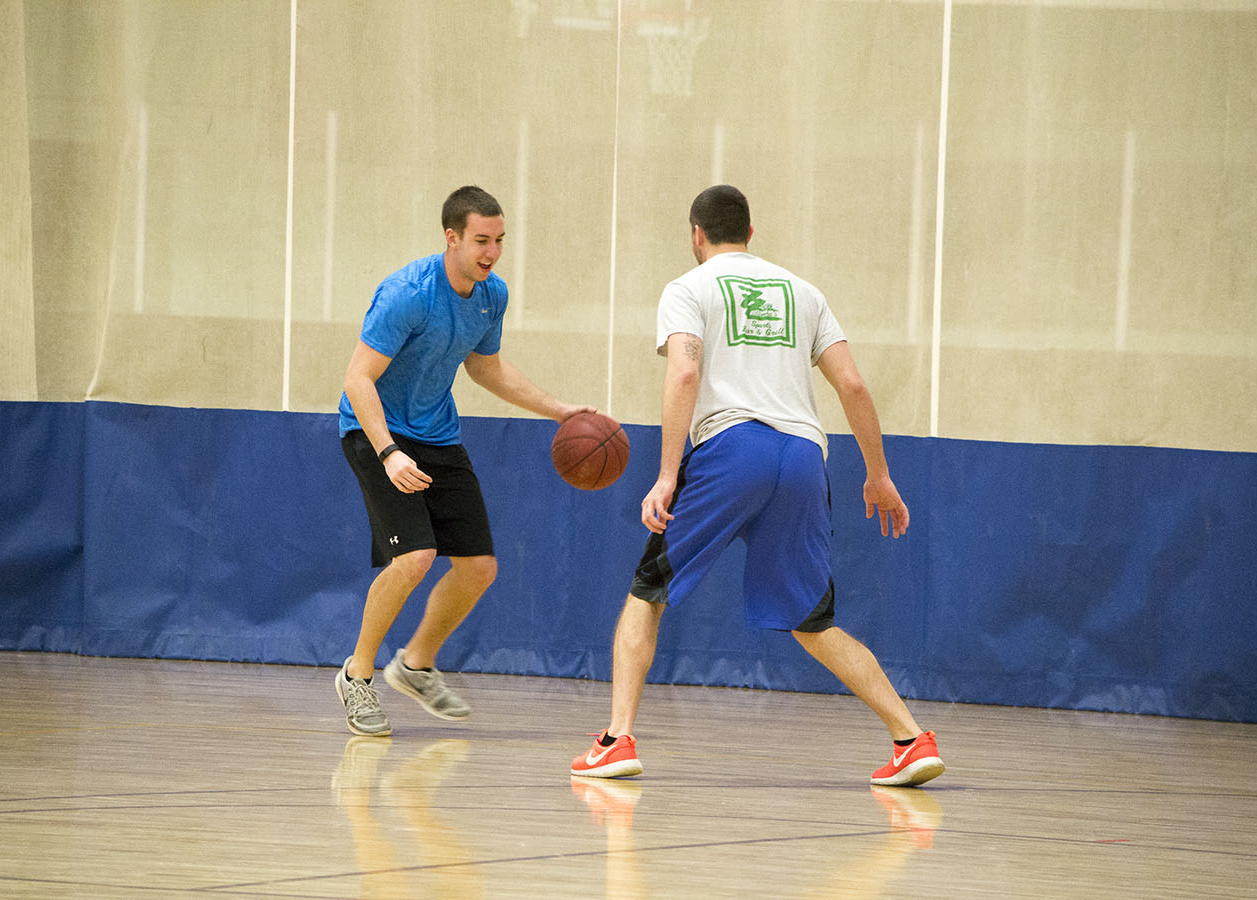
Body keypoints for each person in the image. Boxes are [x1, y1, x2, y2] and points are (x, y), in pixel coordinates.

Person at [570, 185, 944, 787]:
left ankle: (616, 740)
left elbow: (685, 370)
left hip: (731, 450)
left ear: (697, 234)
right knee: (812, 619)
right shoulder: (805, 293)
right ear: (751, 232)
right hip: (802, 455)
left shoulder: (688, 289)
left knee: (649, 590)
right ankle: (910, 737)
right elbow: (852, 385)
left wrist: (667, 474)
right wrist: (878, 474)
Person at [337, 185, 591, 737]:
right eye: (481, 240)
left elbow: (486, 369)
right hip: (374, 428)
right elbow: (358, 378)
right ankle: (357, 676)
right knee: (414, 558)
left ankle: (415, 664)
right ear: (451, 238)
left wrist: (558, 410)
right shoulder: (408, 293)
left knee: (479, 567)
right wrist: (388, 452)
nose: (492, 252)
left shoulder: (489, 294)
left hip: (437, 433)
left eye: (500, 240)